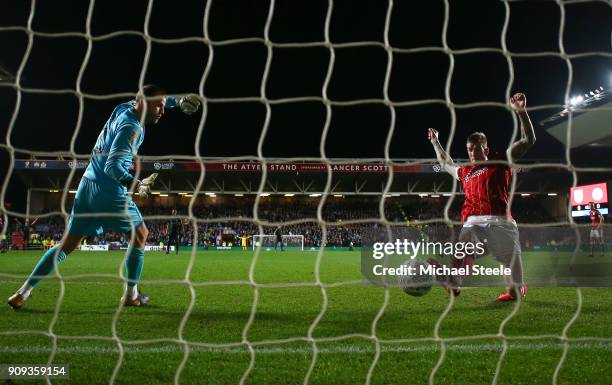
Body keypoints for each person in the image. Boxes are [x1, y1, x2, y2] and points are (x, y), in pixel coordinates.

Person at [7, 85, 200, 310]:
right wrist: (135, 184)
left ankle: (22, 293)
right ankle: (131, 294)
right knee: (140, 234)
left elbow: (157, 100)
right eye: (158, 106)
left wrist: (177, 101)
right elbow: (113, 166)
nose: (161, 111)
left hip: (87, 185)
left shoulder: (125, 108)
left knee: (67, 245)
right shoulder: (131, 128)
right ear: (144, 104)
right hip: (109, 190)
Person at [428, 92, 536, 302]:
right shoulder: (465, 172)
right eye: (469, 149)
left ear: (485, 149)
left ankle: (515, 289)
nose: (471, 153)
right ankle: (454, 283)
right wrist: (436, 142)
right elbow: (446, 163)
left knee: (514, 293)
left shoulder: (501, 160)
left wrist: (521, 112)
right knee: (465, 246)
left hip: (502, 223)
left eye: (475, 149)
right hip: (474, 221)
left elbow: (528, 140)